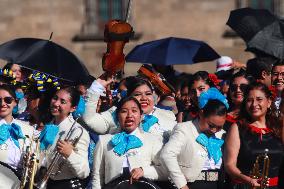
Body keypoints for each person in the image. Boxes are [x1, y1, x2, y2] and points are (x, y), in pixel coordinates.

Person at [160, 88, 228, 189]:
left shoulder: (222, 134)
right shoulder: (185, 129)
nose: (214, 130)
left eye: (219, 127)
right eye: (211, 125)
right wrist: (181, 184)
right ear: (201, 114)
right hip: (190, 185)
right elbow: (167, 154)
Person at [92, 96, 165, 189]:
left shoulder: (152, 140)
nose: (129, 115)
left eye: (134, 111)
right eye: (124, 111)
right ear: (117, 116)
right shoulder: (104, 141)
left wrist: (144, 171)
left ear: (141, 116)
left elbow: (165, 170)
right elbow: (97, 176)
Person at [83, 76, 177, 143]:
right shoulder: (116, 113)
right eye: (137, 94)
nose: (144, 98)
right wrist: (96, 87)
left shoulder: (168, 116)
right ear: (128, 97)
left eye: (148, 94)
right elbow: (90, 120)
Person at [224, 82, 284, 189]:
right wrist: (247, 180)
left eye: (259, 99)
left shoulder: (278, 128)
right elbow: (229, 165)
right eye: (249, 100)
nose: (254, 104)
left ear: (269, 102)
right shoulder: (237, 128)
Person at [38, 86, 90, 189]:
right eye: (55, 98)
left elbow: (84, 172)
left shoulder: (78, 131)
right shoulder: (48, 126)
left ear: (73, 108)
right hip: (47, 183)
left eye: (63, 102)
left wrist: (69, 154)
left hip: (66, 185)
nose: (56, 103)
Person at [0, 85, 34, 187]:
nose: (2, 104)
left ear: (15, 102)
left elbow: (35, 163)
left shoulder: (29, 129)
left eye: (8, 100)